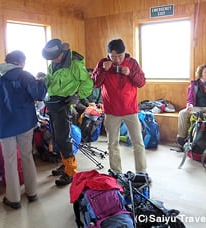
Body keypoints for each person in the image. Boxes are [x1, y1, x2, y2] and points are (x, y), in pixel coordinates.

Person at [0, 50, 47, 209]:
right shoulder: (25, 75)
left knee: (10, 160)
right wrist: (41, 81)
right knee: (27, 156)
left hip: (4, 125)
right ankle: (32, 192)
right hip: (24, 122)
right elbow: (39, 95)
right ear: (20, 62)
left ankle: (13, 199)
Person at [92, 38, 149, 178]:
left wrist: (130, 73)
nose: (117, 60)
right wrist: (103, 70)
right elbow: (95, 84)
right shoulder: (103, 63)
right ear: (108, 54)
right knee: (112, 144)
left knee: (138, 142)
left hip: (130, 110)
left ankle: (142, 172)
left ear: (125, 53)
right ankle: (116, 173)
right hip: (111, 111)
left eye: (120, 56)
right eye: (113, 56)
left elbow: (141, 82)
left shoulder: (132, 63)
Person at [42, 38, 93, 186]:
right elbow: (51, 81)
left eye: (55, 57)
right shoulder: (54, 63)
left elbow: (88, 83)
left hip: (64, 104)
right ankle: (65, 164)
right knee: (57, 137)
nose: (54, 60)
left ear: (62, 52)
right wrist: (42, 81)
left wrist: (77, 97)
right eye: (51, 58)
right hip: (52, 103)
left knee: (64, 138)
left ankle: (70, 171)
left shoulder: (75, 65)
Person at [176, 64, 206, 147]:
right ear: (200, 73)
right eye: (205, 72)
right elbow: (190, 99)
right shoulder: (194, 84)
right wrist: (189, 105)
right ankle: (182, 138)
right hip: (197, 107)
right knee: (182, 113)